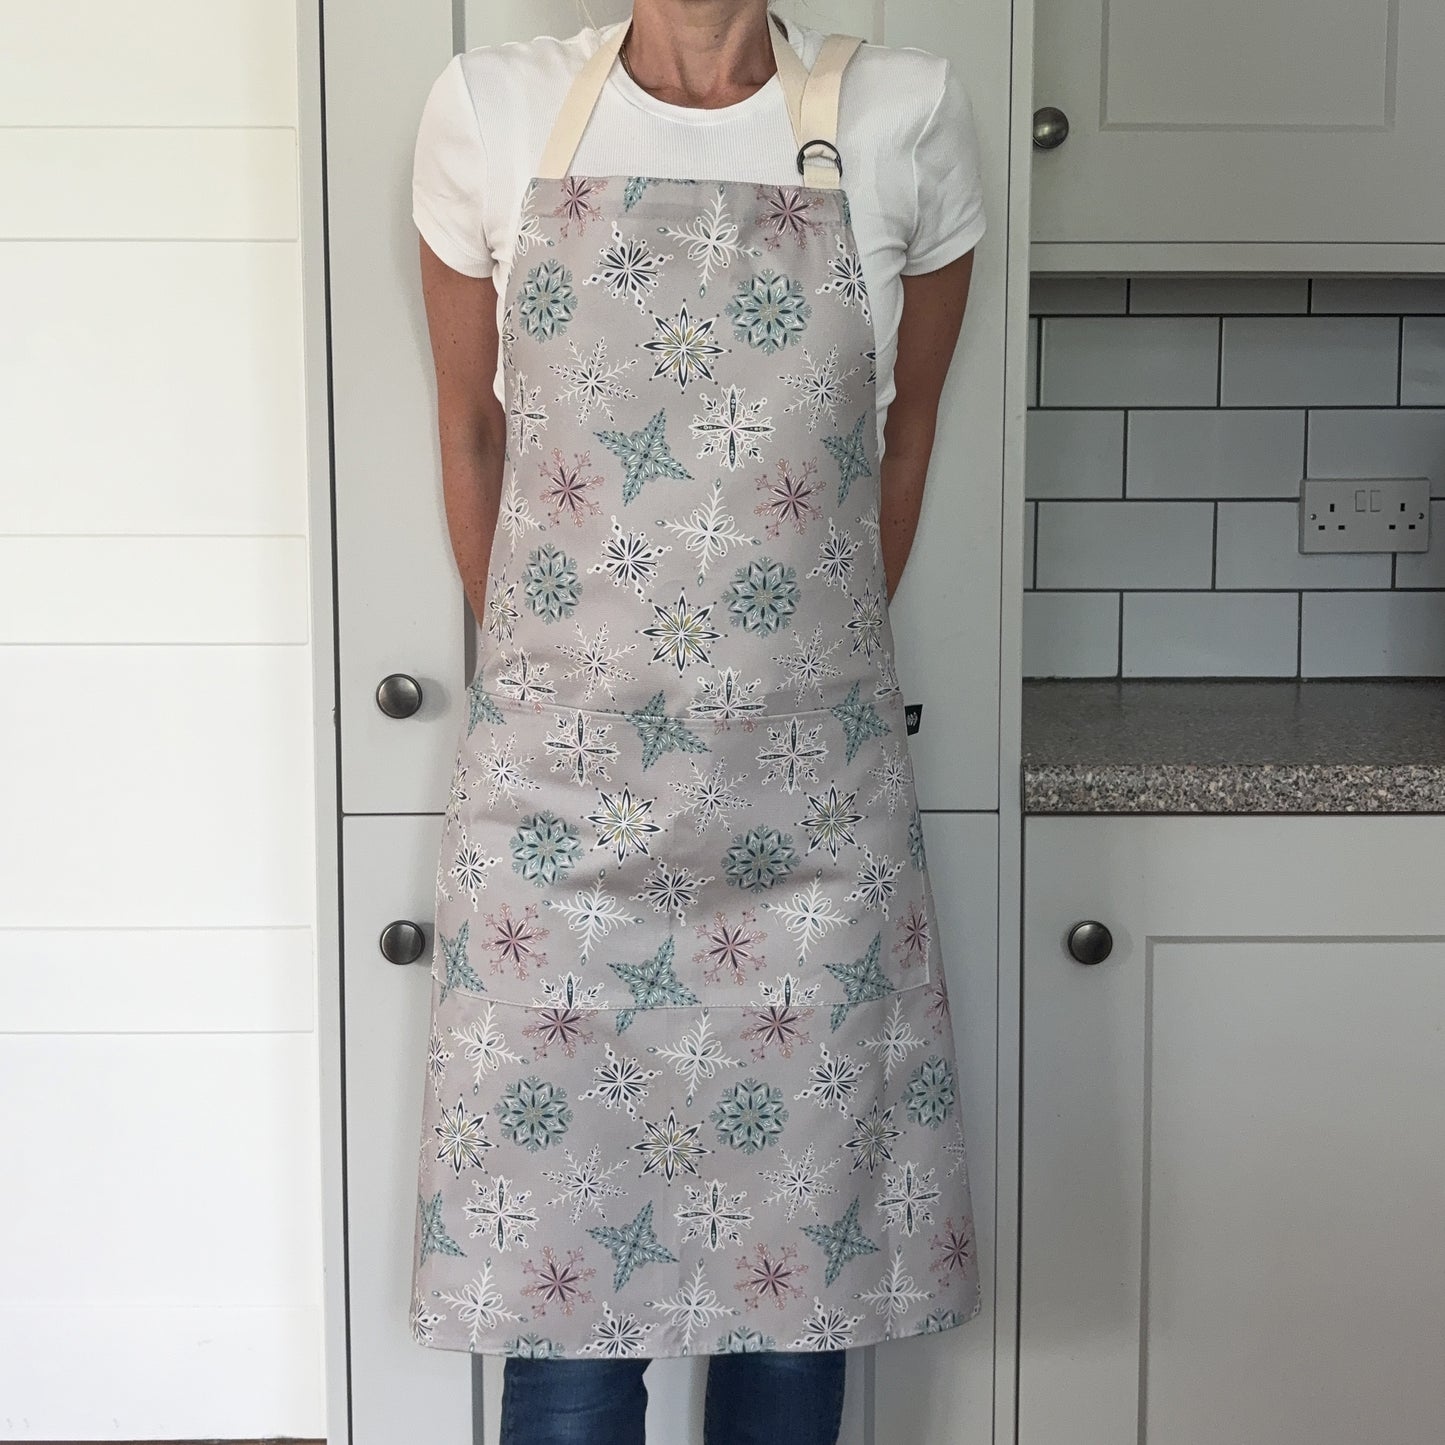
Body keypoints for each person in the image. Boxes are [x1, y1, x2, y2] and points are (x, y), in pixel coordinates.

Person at [409, 4, 987, 1441]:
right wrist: (547, 680)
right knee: (561, 1311)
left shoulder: (902, 112)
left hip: (806, 817)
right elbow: (469, 429)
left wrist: (796, 657)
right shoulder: (489, 109)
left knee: (798, 1297)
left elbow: (900, 436)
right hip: (557, 823)